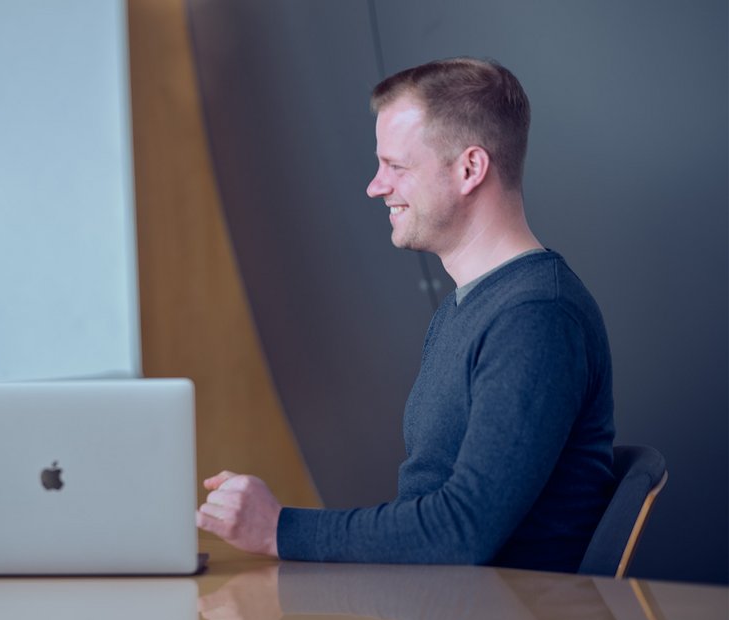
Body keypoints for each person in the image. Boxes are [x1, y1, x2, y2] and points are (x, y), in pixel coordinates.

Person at [196, 58, 616, 572]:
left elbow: (461, 533)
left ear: (469, 169)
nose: (376, 186)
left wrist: (278, 528)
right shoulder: (468, 309)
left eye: (396, 167)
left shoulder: (536, 319)